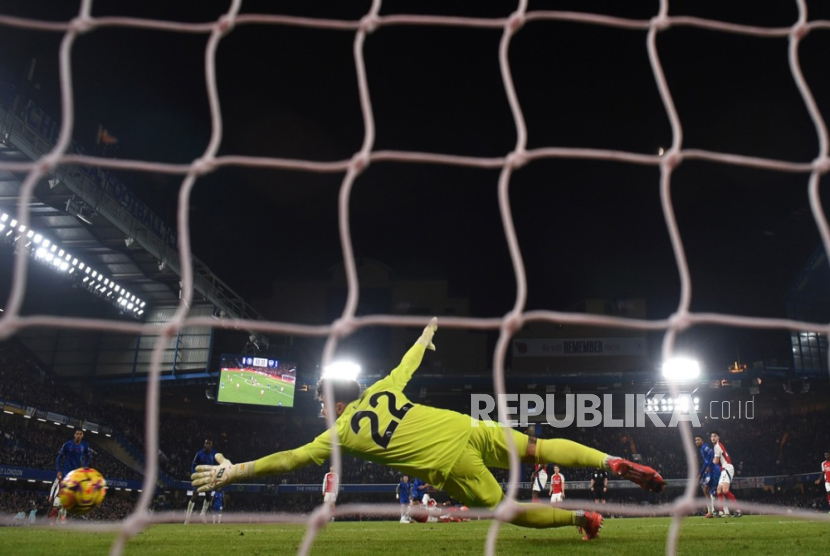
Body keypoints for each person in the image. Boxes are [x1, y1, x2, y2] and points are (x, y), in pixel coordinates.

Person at [192, 318, 664, 541]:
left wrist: (237, 471)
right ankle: (609, 460)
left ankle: (583, 520)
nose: (319, 408)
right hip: (467, 427)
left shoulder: (338, 433)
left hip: (450, 462)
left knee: (508, 512)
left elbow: (289, 459)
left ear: (336, 403)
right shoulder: (382, 388)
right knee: (538, 446)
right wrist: (424, 338)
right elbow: (406, 365)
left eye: (320, 401)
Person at [710, 431, 741, 517]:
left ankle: (738, 510)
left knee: (725, 490)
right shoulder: (718, 446)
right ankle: (722, 512)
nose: (713, 438)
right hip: (723, 469)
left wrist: (710, 461)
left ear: (718, 437)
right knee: (719, 491)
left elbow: (715, 461)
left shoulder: (717, 446)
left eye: (715, 436)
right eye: (711, 436)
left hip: (727, 468)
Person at [186, 439, 217, 524]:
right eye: (206, 443)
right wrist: (194, 474)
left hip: (208, 478)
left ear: (211, 445)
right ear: (204, 444)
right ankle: (188, 517)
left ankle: (202, 514)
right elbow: (193, 465)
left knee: (208, 497)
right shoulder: (199, 454)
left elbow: (216, 466)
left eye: (209, 444)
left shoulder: (214, 454)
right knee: (195, 495)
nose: (207, 445)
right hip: (200, 477)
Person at [694, 434, 719, 518]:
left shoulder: (705, 447)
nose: (696, 442)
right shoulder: (702, 449)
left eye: (698, 440)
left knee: (707, 489)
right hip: (708, 471)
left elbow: (712, 454)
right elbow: (705, 462)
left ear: (702, 441)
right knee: (707, 490)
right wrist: (701, 474)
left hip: (712, 470)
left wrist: (709, 466)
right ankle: (711, 511)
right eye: (695, 440)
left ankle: (712, 511)